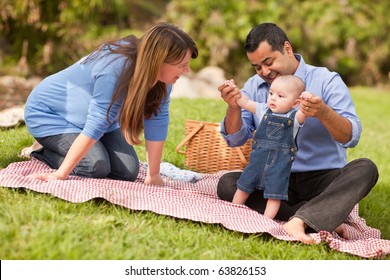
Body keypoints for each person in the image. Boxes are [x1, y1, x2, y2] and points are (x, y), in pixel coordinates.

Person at [217, 22, 378, 244]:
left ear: (287, 48)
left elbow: (351, 137)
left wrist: (323, 113)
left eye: (268, 62)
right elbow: (235, 139)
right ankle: (314, 215)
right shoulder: (254, 86)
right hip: (273, 177)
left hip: (321, 178)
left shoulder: (326, 80)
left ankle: (302, 217)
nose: (264, 72)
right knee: (227, 184)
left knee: (366, 168)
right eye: (257, 67)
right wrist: (233, 106)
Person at [23, 22, 198, 186]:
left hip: (93, 121)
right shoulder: (114, 68)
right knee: (94, 167)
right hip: (51, 115)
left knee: (128, 171)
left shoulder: (163, 80)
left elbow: (157, 121)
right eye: (182, 65)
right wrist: (60, 174)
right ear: (159, 60)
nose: (187, 70)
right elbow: (97, 123)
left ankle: (74, 149)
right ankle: (41, 151)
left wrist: (153, 175)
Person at [222, 76, 311, 219]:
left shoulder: (295, 118)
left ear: (295, 103)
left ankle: (266, 220)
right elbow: (244, 102)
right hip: (257, 160)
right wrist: (234, 91)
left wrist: (307, 100)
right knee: (244, 185)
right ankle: (233, 211)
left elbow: (305, 111)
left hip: (279, 166)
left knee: (274, 195)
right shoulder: (264, 110)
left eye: (280, 96)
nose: (273, 98)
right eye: (271, 94)